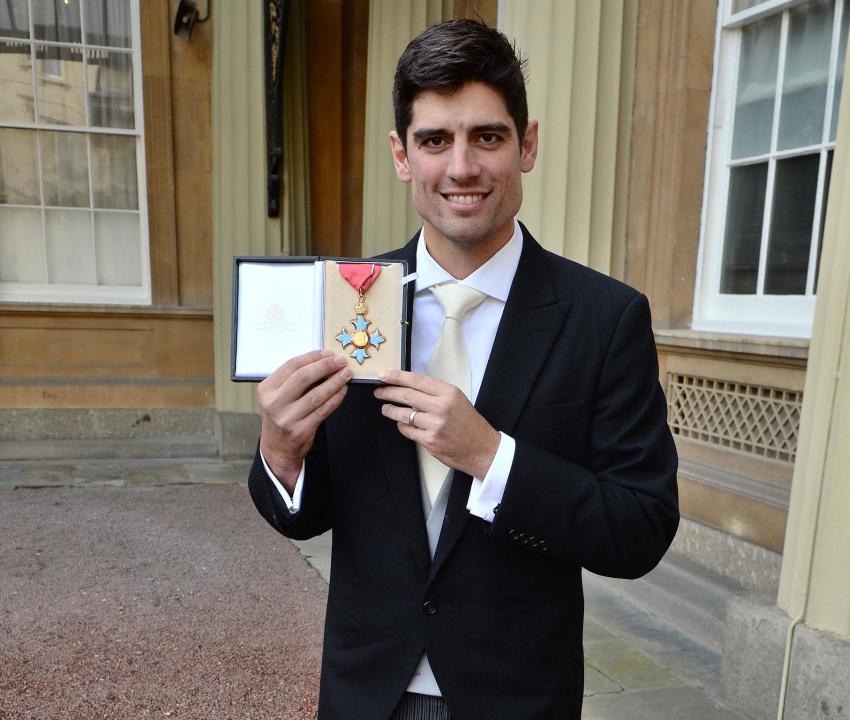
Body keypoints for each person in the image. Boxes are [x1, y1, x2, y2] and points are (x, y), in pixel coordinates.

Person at [248, 19, 679, 720]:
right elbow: (306, 512)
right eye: (434, 141)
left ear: (526, 144)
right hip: (366, 694)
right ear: (400, 154)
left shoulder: (605, 319)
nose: (461, 168)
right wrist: (281, 451)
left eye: (487, 136)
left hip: (516, 697)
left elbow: (640, 529)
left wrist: (491, 457)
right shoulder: (345, 301)